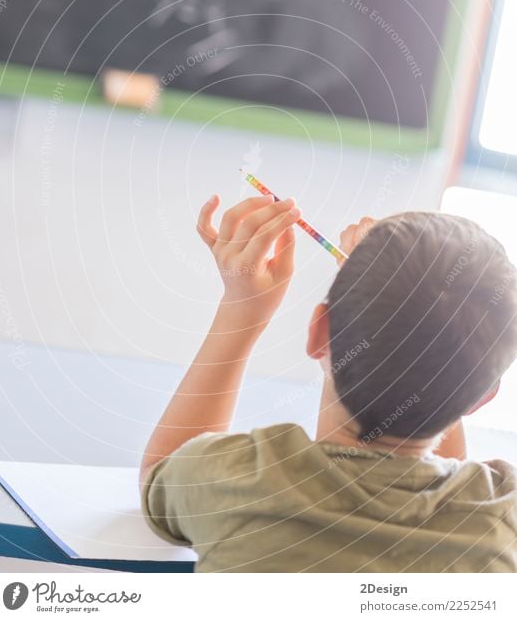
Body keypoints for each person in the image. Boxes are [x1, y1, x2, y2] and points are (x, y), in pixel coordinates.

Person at [140, 194, 517, 572]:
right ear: (482, 398)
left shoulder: (240, 483)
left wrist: (244, 309)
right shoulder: (502, 515)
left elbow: (160, 473)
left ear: (318, 332)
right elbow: (445, 489)